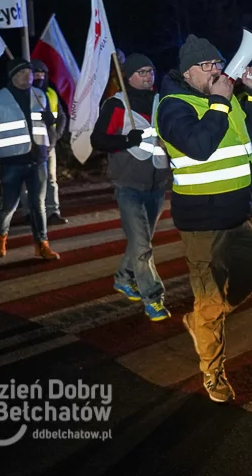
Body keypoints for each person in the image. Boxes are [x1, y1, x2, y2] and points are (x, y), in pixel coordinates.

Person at [155, 34, 252, 402]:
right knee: (209, 301)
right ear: (187, 72)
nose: (216, 70)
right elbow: (201, 147)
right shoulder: (172, 105)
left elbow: (251, 136)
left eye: (219, 64)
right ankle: (213, 373)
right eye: (207, 66)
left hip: (240, 213)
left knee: (249, 277)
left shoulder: (225, 100)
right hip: (202, 222)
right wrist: (221, 100)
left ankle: (203, 318)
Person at [90, 53, 172, 321]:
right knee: (142, 245)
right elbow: (98, 140)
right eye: (142, 72)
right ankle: (153, 298)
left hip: (157, 184)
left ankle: (123, 278)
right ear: (128, 76)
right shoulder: (116, 104)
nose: (148, 76)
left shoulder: (162, 101)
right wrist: (126, 140)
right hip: (128, 184)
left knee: (142, 241)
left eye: (151, 71)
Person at [0, 58, 61, 261]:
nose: (29, 75)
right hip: (11, 161)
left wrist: (51, 124)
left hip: (38, 160)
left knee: (38, 204)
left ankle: (42, 245)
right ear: (13, 76)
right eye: (24, 72)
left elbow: (46, 126)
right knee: (9, 204)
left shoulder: (39, 94)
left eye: (30, 72)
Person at [19, 58, 69, 225]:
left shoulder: (51, 93)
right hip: (29, 145)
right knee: (27, 180)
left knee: (51, 180)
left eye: (42, 73)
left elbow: (61, 116)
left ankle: (52, 212)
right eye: (36, 73)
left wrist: (57, 134)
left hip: (49, 144)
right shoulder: (25, 94)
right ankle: (28, 212)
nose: (40, 76)